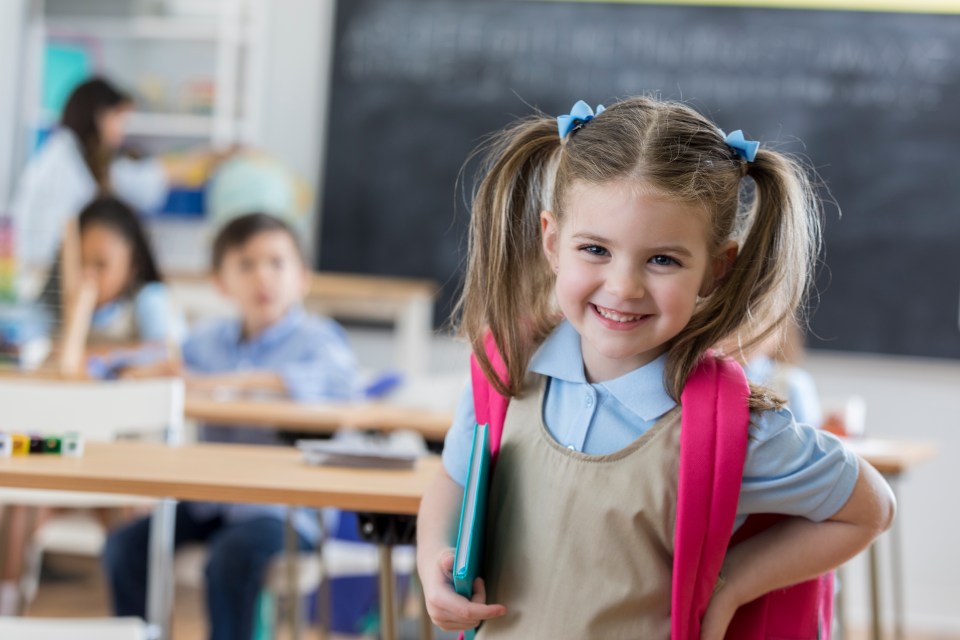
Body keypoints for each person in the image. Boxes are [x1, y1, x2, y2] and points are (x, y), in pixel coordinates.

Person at [416, 97, 896, 639]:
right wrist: (435, 556)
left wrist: (731, 584)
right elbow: (453, 479)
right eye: (595, 249)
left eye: (663, 259)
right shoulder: (507, 370)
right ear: (552, 243)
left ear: (717, 269)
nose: (624, 286)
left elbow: (870, 508)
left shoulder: (733, 430)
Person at [102, 212, 358, 640]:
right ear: (220, 282)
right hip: (212, 502)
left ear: (303, 278)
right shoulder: (208, 341)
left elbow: (334, 383)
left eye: (277, 263)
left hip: (286, 511)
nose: (263, 276)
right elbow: (145, 365)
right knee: (125, 547)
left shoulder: (320, 340)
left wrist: (212, 384)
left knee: (229, 557)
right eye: (246, 264)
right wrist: (136, 372)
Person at [9, 76, 219, 269]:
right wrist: (211, 158)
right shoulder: (67, 163)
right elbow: (147, 177)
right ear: (100, 116)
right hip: (43, 269)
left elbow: (141, 177)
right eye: (119, 119)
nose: (122, 129)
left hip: (44, 267)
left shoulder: (71, 155)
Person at [37, 195, 184, 346]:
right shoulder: (53, 310)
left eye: (101, 264)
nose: (87, 274)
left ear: (133, 267)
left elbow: (170, 355)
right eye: (79, 262)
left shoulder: (151, 300)